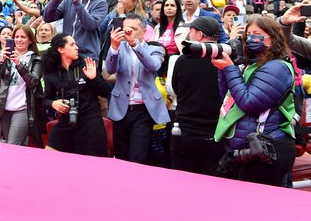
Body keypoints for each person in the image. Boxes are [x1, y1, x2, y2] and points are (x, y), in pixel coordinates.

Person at [212, 16, 296, 186]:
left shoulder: (277, 67)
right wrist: (225, 70)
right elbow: (229, 98)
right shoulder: (250, 65)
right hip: (245, 148)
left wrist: (229, 69)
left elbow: (250, 103)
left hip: (265, 148)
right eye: (248, 34)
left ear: (272, 38)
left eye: (257, 34)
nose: (251, 38)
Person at [104, 14, 170, 164]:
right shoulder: (119, 47)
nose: (129, 32)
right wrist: (113, 47)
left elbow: (153, 66)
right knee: (121, 155)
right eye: (126, 28)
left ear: (144, 31)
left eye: (133, 29)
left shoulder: (154, 48)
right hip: (121, 108)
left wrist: (135, 45)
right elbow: (109, 69)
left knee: (137, 156)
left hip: (143, 109)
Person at [169, 17, 225, 175]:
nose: (189, 36)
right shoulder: (226, 60)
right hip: (215, 132)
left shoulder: (182, 60)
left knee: (184, 184)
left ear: (199, 35)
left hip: (185, 131)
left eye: (191, 32)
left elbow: (175, 89)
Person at [42, 33, 110, 156]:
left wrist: (94, 78)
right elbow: (44, 100)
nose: (77, 47)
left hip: (90, 122)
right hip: (67, 121)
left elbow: (105, 92)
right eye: (72, 44)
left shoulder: (87, 64)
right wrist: (53, 103)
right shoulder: (51, 72)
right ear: (60, 49)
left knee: (93, 165)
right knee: (48, 156)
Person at [0, 26, 43, 146]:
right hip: (4, 108)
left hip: (23, 109)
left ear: (30, 40)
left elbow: (33, 82)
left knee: (12, 144)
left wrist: (18, 63)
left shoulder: (36, 60)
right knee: (10, 144)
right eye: (16, 37)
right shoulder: (5, 58)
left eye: (23, 37)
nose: (19, 40)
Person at [43, 0, 108, 61]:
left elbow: (91, 25)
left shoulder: (100, 3)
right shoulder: (68, 0)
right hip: (67, 55)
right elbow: (48, 18)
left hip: (87, 57)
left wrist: (77, 2)